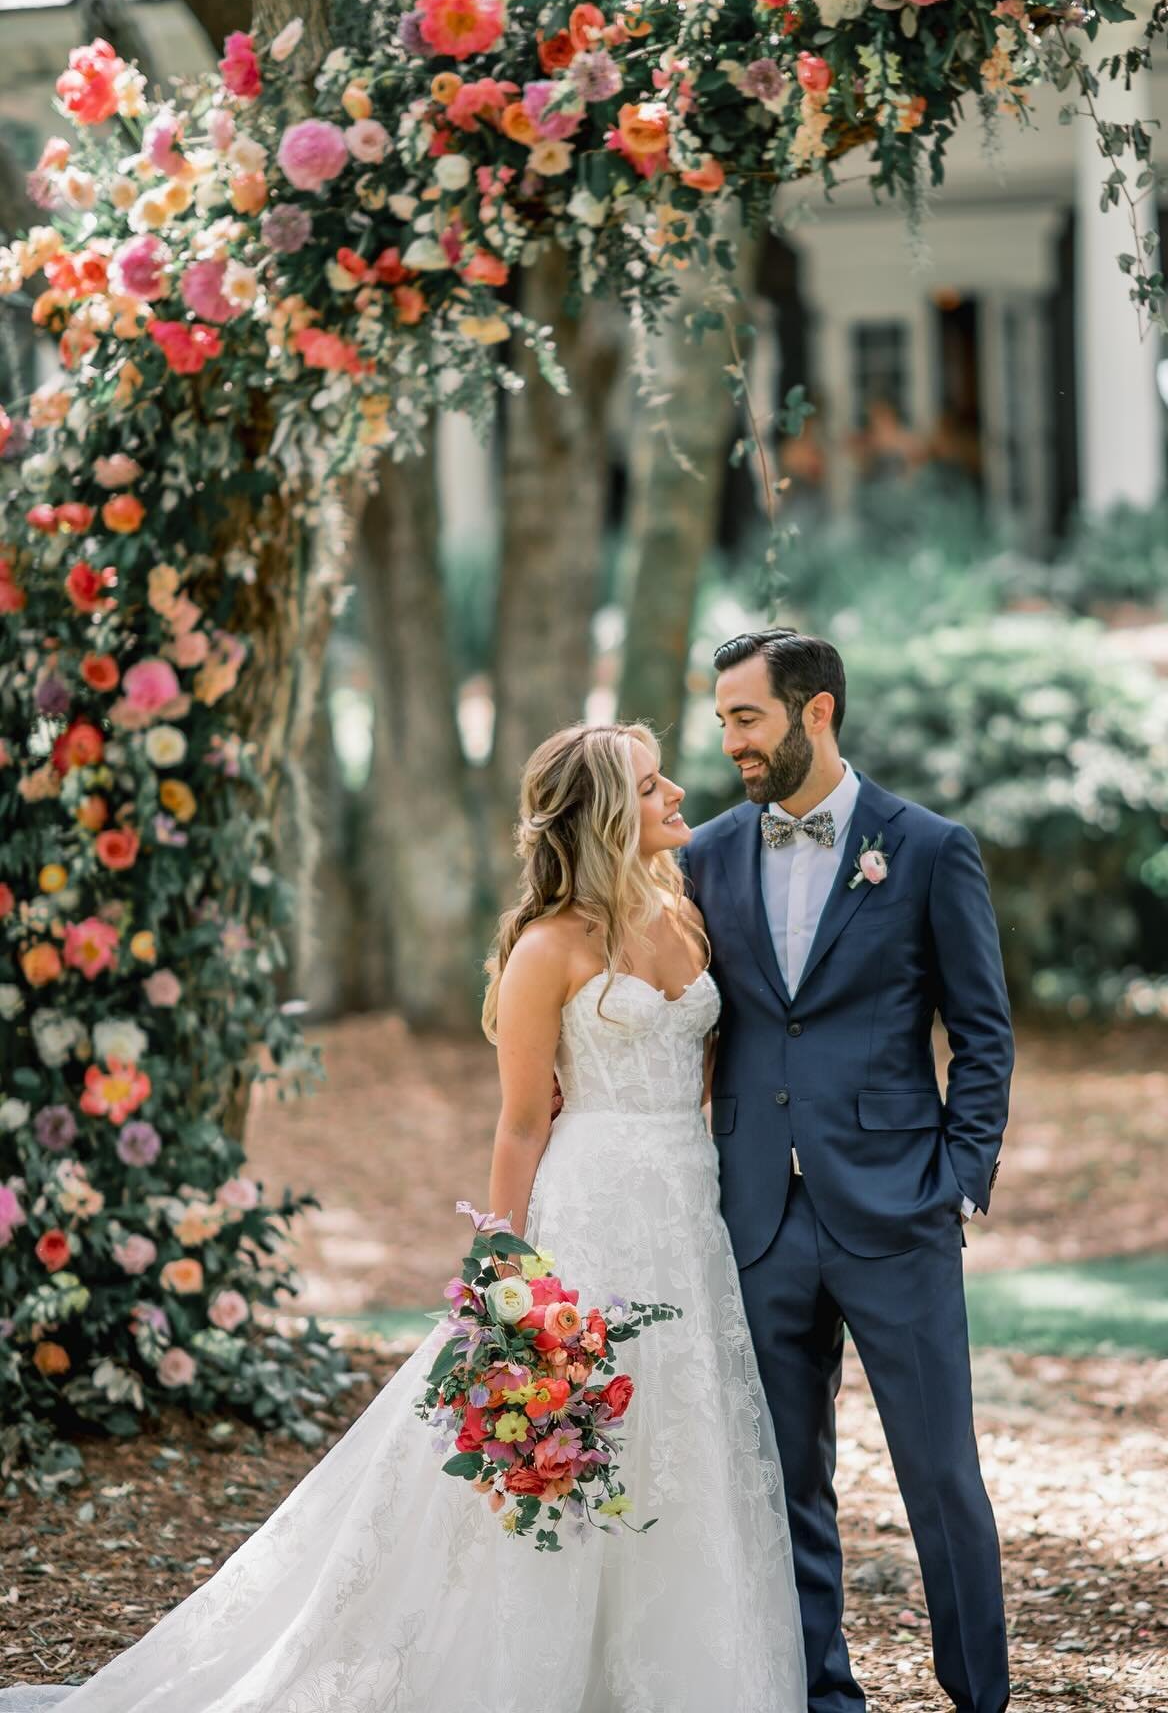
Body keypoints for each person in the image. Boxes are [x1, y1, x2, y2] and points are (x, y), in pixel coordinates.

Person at [0, 722, 807, 1713]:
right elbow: (518, 1122)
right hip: (591, 1204)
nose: (677, 792)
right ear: (603, 814)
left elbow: (704, 1070)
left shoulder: (685, 918)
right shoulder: (548, 948)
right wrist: (505, 1270)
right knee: (565, 1429)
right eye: (649, 785)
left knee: (680, 1428)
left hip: (689, 1208)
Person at [683, 629, 1013, 1713]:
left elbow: (982, 1031)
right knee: (783, 1482)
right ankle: (821, 1694)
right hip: (757, 1216)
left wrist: (960, 1177)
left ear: (815, 711)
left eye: (745, 717)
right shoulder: (709, 856)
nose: (728, 738)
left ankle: (978, 1694)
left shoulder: (926, 849)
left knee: (941, 1480)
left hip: (898, 1207)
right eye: (723, 717)